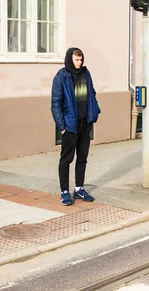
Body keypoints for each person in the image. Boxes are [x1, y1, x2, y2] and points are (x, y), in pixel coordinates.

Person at [51, 47, 100, 205]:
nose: (79, 62)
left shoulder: (86, 74)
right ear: (69, 59)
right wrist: (62, 126)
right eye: (76, 60)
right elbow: (55, 104)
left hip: (85, 124)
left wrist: (94, 112)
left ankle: (79, 189)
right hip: (70, 126)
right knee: (66, 159)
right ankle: (64, 191)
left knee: (82, 158)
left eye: (81, 59)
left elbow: (92, 93)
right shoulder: (61, 77)